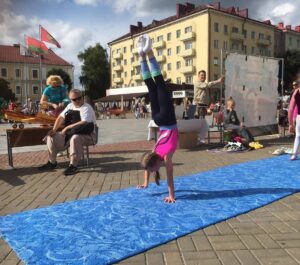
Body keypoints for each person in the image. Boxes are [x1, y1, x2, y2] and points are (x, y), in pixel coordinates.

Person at [136, 34, 178, 203]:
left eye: (152, 170)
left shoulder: (164, 156)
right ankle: (142, 55)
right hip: (157, 119)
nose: (153, 171)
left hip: (167, 120)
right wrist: (145, 183)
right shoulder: (153, 153)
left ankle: (149, 53)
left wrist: (172, 195)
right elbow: (148, 166)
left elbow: (170, 177)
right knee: (151, 86)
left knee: (159, 83)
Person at [38, 89, 97, 175]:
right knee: (51, 137)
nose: (77, 100)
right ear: (70, 99)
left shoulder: (86, 107)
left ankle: (73, 165)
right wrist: (54, 130)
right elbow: (60, 118)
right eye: (74, 99)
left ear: (82, 97)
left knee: (75, 138)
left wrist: (66, 128)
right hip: (71, 133)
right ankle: (52, 162)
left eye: (79, 98)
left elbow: (84, 122)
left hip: (89, 135)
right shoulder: (70, 106)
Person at [288, 77, 300, 160]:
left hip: (299, 117)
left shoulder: (296, 92)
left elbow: (290, 109)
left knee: (298, 136)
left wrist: (290, 124)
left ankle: (294, 154)